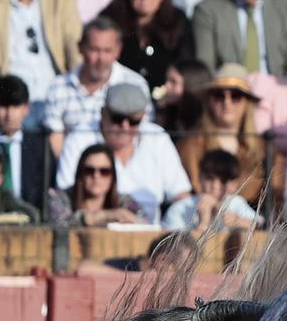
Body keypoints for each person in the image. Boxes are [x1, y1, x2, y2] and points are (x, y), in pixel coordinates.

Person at [56, 83, 191, 220]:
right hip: (92, 232)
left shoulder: (157, 138)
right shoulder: (79, 138)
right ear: (103, 113)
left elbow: (181, 195)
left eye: (133, 121)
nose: (125, 127)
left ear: (143, 116)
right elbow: (66, 195)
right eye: (117, 119)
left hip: (149, 234)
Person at [42, 17, 144, 155]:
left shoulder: (135, 85)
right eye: (94, 50)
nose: (100, 59)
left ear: (118, 50)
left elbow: (140, 135)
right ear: (80, 47)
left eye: (107, 51)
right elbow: (56, 140)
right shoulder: (58, 88)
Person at [176, 64, 270, 205]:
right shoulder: (191, 144)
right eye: (219, 95)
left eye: (236, 96)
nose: (227, 102)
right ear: (209, 101)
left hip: (250, 224)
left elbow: (275, 198)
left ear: (247, 103)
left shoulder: (265, 149)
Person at [100, 0, 194, 93]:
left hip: (166, 102)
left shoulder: (178, 22)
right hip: (118, 98)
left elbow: (186, 67)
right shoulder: (110, 21)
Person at [0, 73, 52, 212]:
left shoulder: (40, 147)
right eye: (3, 106)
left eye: (15, 106)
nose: (9, 114)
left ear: (26, 108)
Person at [162, 148, 262, 230]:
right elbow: (173, 247)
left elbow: (262, 226)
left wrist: (234, 220)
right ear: (200, 177)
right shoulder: (180, 208)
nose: (215, 185)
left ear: (234, 184)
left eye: (223, 180)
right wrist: (203, 224)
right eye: (209, 178)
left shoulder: (236, 203)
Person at [45, 141, 143, 225]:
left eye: (104, 171)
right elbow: (58, 226)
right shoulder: (59, 197)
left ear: (113, 177)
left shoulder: (124, 201)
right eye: (89, 170)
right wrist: (105, 216)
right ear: (80, 173)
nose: (96, 176)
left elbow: (145, 223)